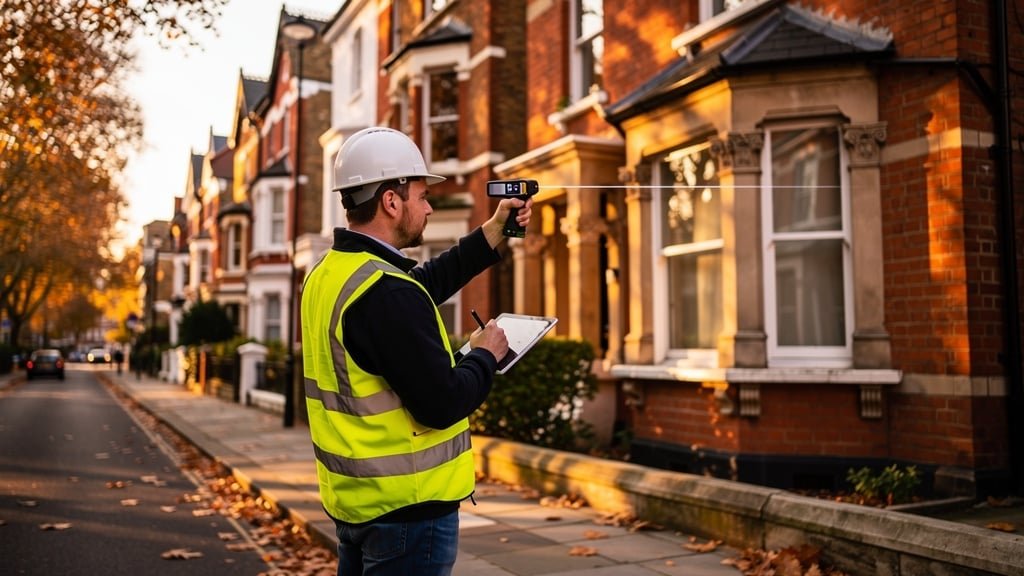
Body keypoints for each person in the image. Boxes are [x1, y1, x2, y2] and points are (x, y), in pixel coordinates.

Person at [300, 126, 533, 575]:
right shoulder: (385, 291)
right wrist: (484, 354)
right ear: (391, 200)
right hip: (409, 511)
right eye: (422, 195)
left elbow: (417, 288)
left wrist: (492, 232)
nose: (428, 207)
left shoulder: (330, 274)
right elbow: (442, 403)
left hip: (355, 505)